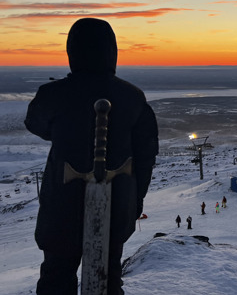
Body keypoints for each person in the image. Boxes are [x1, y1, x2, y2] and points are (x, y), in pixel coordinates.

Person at [24, 18, 158, 295]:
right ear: (112, 51)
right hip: (116, 204)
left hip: (61, 205)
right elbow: (145, 158)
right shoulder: (133, 97)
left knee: (55, 279)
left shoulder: (53, 94)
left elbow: (36, 124)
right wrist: (133, 202)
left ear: (72, 51)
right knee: (107, 281)